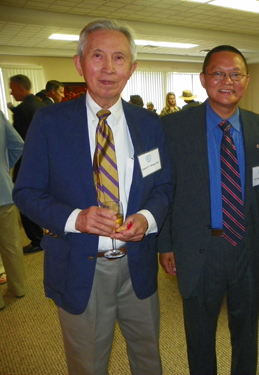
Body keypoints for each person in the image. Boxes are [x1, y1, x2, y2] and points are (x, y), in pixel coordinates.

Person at [13, 19, 173, 375]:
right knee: (87, 365)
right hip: (78, 264)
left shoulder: (149, 123)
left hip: (138, 263)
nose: (108, 67)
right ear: (79, 62)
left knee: (149, 360)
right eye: (97, 55)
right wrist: (76, 219)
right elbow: (25, 192)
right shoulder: (50, 122)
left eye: (119, 58)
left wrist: (147, 219)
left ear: (132, 69)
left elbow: (163, 186)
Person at [159, 45, 259, 375]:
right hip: (200, 247)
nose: (227, 81)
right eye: (218, 73)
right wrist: (165, 244)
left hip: (248, 247)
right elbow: (164, 189)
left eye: (236, 74)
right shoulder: (174, 128)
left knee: (246, 334)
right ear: (203, 79)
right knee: (199, 336)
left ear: (247, 80)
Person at [8, 74, 46, 253]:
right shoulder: (41, 104)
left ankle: (36, 239)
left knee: (26, 201)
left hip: (29, 164)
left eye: (12, 88)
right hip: (47, 163)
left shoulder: (23, 110)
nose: (10, 92)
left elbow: (20, 144)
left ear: (21, 88)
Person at [0, 110, 25, 311]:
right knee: (11, 244)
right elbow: (18, 144)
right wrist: (3, 167)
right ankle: (18, 288)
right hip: (4, 191)